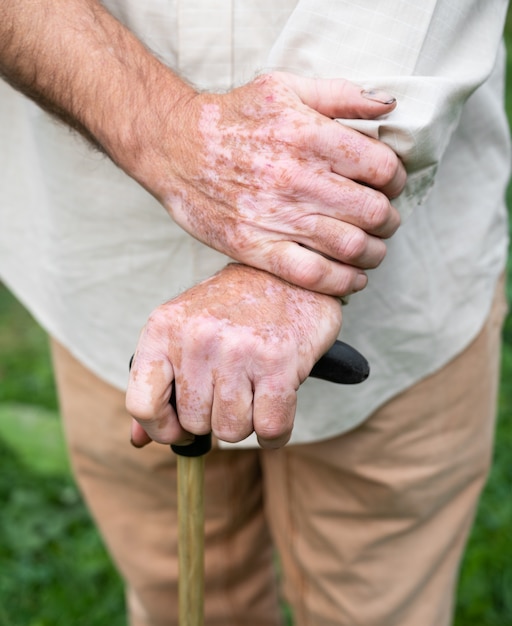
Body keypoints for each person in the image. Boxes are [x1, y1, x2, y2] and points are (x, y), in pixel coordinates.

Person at [0, 1, 510, 625]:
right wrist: (164, 130)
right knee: (176, 593)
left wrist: (296, 242)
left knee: (381, 605)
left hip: (400, 302)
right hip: (107, 259)